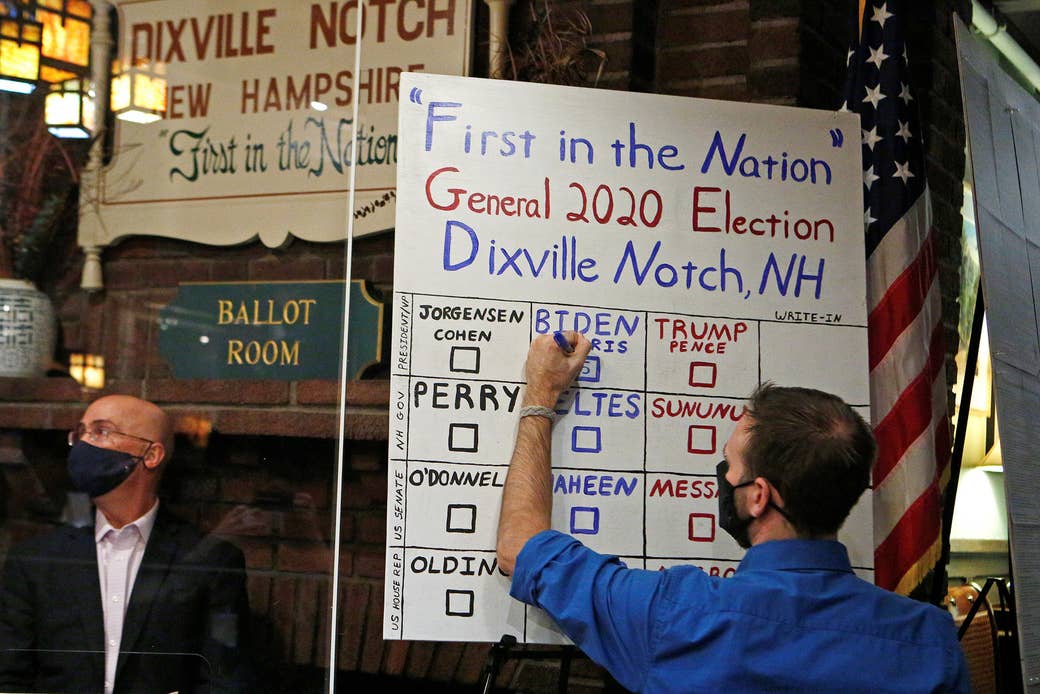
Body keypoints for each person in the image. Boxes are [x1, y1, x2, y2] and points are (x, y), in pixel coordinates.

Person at [497, 331, 970, 693]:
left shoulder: (678, 616)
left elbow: (520, 549)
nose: (723, 476)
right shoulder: (930, 643)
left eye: (731, 464)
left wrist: (541, 396)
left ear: (759, 495)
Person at [0, 395, 252, 694]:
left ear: (151, 454)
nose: (84, 445)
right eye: (80, 433)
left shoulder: (211, 560)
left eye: (101, 431)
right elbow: (9, 676)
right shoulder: (34, 560)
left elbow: (222, 677)